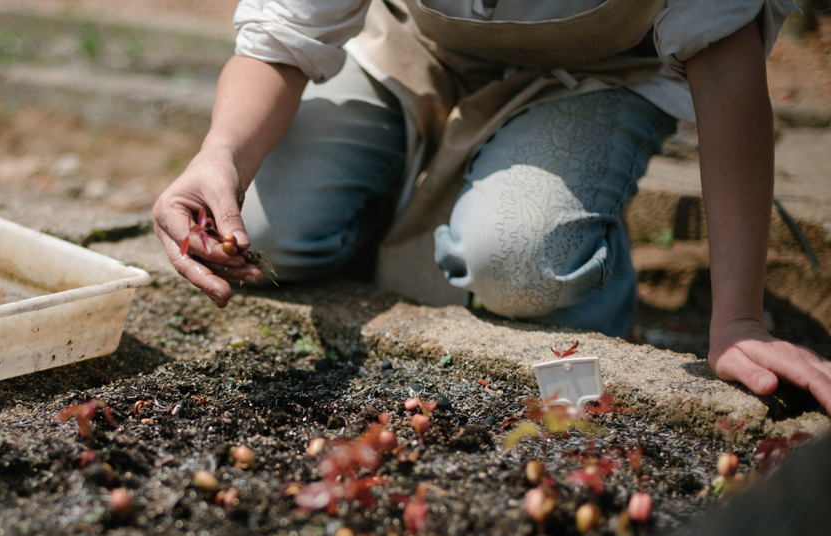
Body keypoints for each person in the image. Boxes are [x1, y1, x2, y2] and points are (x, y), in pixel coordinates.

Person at [152, 0, 831, 414]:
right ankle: (392, 200)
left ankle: (584, 277)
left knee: (519, 256)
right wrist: (221, 155)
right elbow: (279, 37)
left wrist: (738, 317)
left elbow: (728, 64)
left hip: (599, 69)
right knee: (269, 231)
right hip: (412, 46)